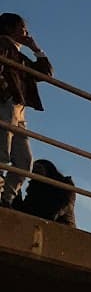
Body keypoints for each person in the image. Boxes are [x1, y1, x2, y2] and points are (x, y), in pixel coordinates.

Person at [0, 13, 52, 208]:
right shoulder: (3, 45)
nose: (26, 33)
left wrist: (36, 49)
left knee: (24, 161)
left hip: (18, 108)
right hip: (6, 103)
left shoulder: (18, 54)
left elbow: (45, 74)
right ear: (10, 29)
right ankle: (3, 197)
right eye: (22, 28)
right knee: (2, 153)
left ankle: (6, 198)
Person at [17, 158, 75, 226]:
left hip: (59, 225)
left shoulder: (64, 185)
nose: (36, 171)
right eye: (34, 169)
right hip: (33, 221)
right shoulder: (34, 187)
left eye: (39, 168)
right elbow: (25, 208)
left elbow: (61, 209)